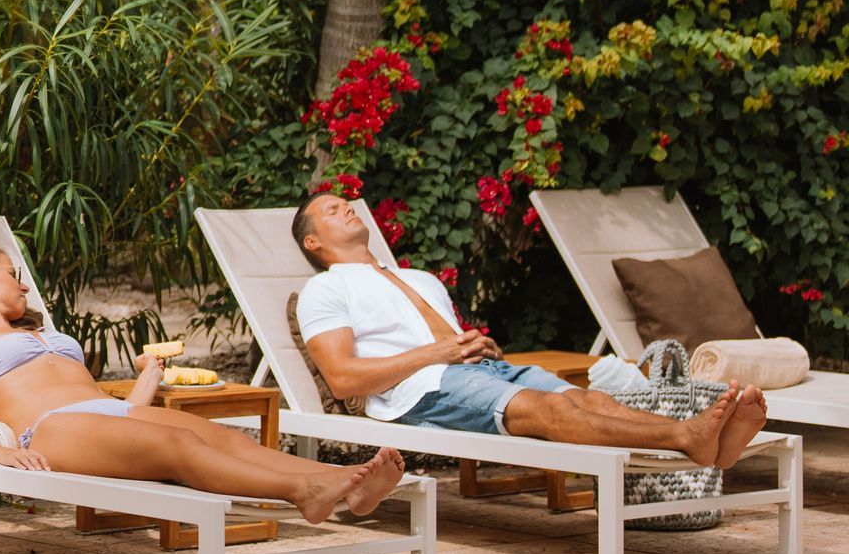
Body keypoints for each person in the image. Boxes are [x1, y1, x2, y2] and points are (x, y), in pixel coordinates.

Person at [0, 244, 407, 525]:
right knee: (179, 443)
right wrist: (0, 454)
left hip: (105, 415)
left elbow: (95, 402)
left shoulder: (41, 332)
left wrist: (145, 381)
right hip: (50, 429)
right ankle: (303, 490)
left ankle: (348, 487)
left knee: (221, 438)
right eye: (15, 275)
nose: (25, 286)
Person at [290, 189, 766, 468]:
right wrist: (441, 354)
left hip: (480, 372)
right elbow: (344, 379)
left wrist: (478, 347)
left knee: (588, 398)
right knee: (549, 410)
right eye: (332, 210)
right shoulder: (325, 290)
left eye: (346, 202)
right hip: (419, 391)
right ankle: (687, 438)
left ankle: (696, 436)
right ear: (313, 241)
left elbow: (447, 343)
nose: (349, 206)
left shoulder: (418, 279)